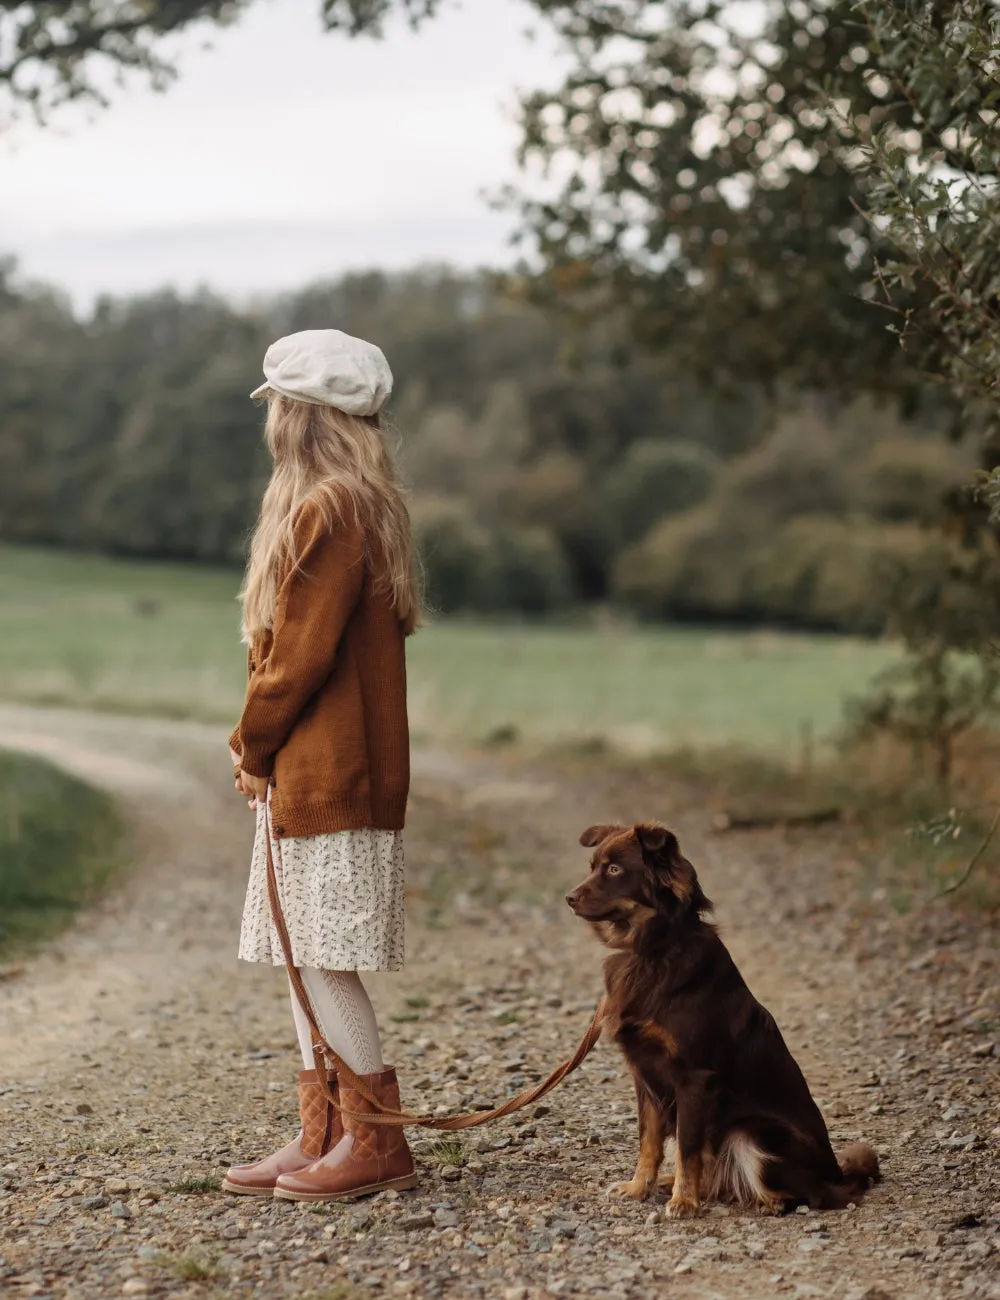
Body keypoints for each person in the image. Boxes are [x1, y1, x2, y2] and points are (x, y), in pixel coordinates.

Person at [222, 329, 421, 1202]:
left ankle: (375, 1142)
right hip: (316, 773)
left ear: (299, 417)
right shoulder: (355, 502)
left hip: (328, 771)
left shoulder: (329, 507)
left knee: (325, 957)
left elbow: (297, 658)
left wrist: (249, 744)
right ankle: (327, 1132)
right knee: (303, 955)